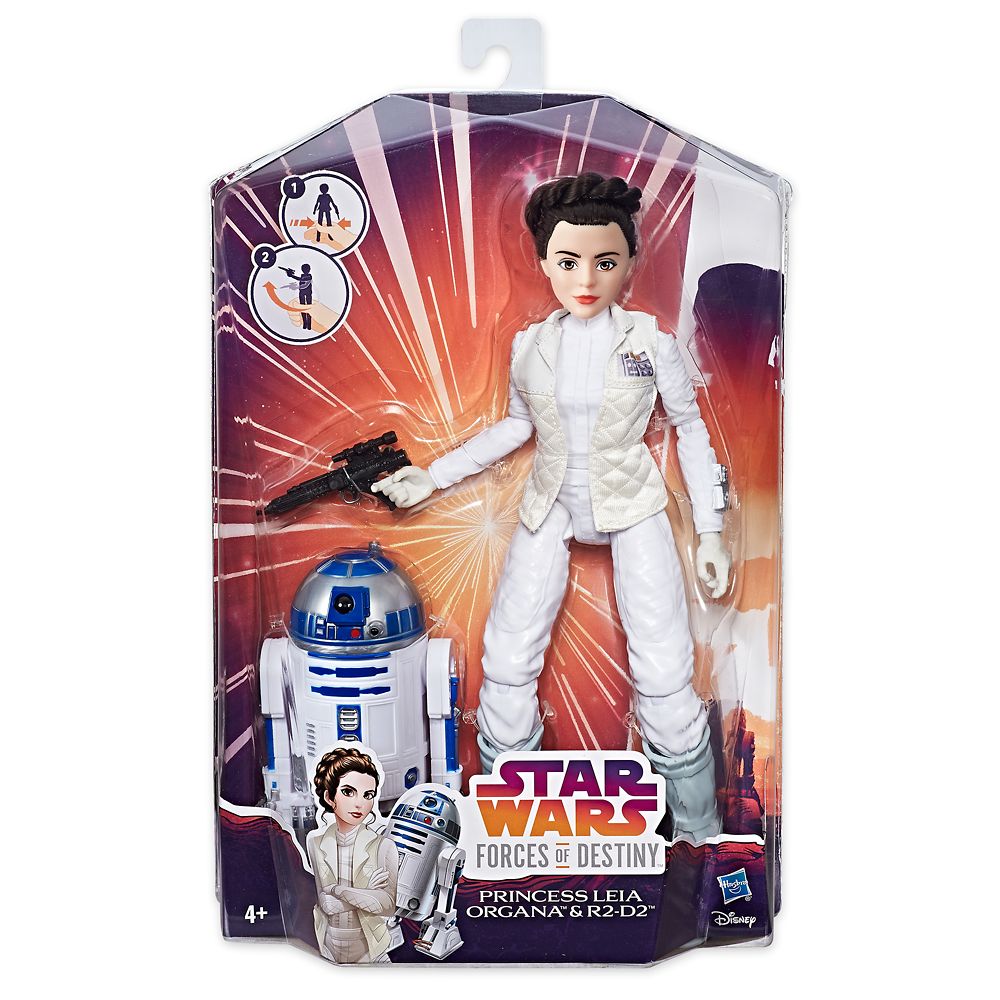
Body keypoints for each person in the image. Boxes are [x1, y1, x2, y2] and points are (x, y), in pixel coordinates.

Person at [373, 173, 731, 841]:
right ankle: (513, 825)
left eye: (605, 262)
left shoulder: (651, 342)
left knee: (664, 669)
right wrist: (434, 476)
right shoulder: (530, 345)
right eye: (568, 262)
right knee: (507, 659)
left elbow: (690, 427)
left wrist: (709, 529)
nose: (586, 279)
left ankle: (698, 836)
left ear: (630, 261)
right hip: (551, 504)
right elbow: (516, 426)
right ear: (543, 262)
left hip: (633, 503)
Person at [306, 746, 399, 963]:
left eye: (368, 795)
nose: (360, 804)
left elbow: (386, 906)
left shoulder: (384, 847)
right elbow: (325, 904)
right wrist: (367, 893)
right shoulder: (315, 842)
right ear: (329, 797)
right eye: (348, 792)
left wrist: (338, 889)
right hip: (327, 949)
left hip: (372, 952)